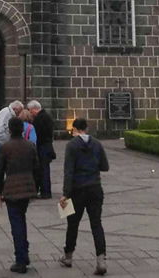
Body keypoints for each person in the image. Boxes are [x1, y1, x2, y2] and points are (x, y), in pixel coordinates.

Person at [59, 117, 109, 275]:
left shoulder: (71, 146)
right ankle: (101, 260)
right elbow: (105, 166)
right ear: (86, 128)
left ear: (74, 129)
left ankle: (68, 256)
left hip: (77, 189)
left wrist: (65, 194)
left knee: (73, 224)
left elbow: (68, 171)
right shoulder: (97, 143)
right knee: (96, 224)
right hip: (95, 187)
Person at [0, 116, 40, 274]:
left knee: (16, 225)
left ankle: (20, 260)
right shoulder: (30, 145)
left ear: (10, 129)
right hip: (27, 188)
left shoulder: (6, 147)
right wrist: (35, 187)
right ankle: (24, 254)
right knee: (21, 219)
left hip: (12, 190)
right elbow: (37, 168)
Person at [0, 99, 24, 193]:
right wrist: (8, 140)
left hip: (0, 141)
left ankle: (0, 188)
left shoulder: (9, 114)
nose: (19, 113)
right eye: (19, 111)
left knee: (0, 165)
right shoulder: (6, 113)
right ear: (15, 108)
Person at [29, 100, 55, 198]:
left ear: (35, 109)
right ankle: (45, 191)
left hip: (43, 147)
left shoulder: (40, 118)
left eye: (31, 111)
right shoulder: (46, 116)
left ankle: (45, 192)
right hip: (47, 146)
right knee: (44, 169)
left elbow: (38, 134)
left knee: (43, 170)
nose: (31, 113)